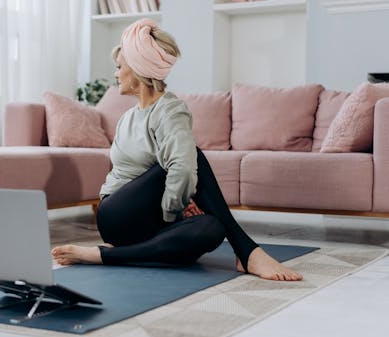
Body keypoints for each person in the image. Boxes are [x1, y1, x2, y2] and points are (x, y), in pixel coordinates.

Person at [52, 18, 302, 281]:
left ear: (138, 70)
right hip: (117, 215)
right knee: (193, 155)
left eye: (119, 67)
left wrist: (178, 211)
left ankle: (106, 255)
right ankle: (247, 250)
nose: (115, 74)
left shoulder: (169, 110)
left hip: (145, 225)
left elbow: (180, 171)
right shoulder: (129, 116)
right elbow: (181, 167)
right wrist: (175, 211)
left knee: (211, 229)